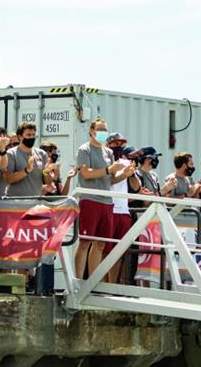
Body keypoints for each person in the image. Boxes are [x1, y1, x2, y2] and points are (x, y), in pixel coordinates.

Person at [73, 118, 124, 280]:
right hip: (90, 199)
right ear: (91, 132)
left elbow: (111, 179)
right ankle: (79, 281)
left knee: (100, 244)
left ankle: (93, 282)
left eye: (105, 130)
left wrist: (125, 174)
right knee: (85, 242)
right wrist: (108, 170)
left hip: (107, 201)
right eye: (100, 129)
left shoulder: (108, 152)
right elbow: (86, 173)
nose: (103, 133)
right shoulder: (84, 150)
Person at [104, 141, 141, 283]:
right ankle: (101, 285)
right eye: (115, 143)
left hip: (123, 211)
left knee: (119, 252)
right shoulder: (104, 161)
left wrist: (131, 175)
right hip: (108, 208)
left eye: (121, 143)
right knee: (105, 250)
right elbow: (105, 182)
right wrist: (124, 175)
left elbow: (137, 187)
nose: (118, 145)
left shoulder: (126, 163)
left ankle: (112, 285)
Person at [5, 122, 51, 197]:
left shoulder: (42, 154)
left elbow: (47, 182)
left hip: (35, 201)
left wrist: (47, 172)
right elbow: (8, 179)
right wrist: (27, 170)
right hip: (15, 202)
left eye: (33, 135)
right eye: (28, 135)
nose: (32, 138)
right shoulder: (11, 154)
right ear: (20, 137)